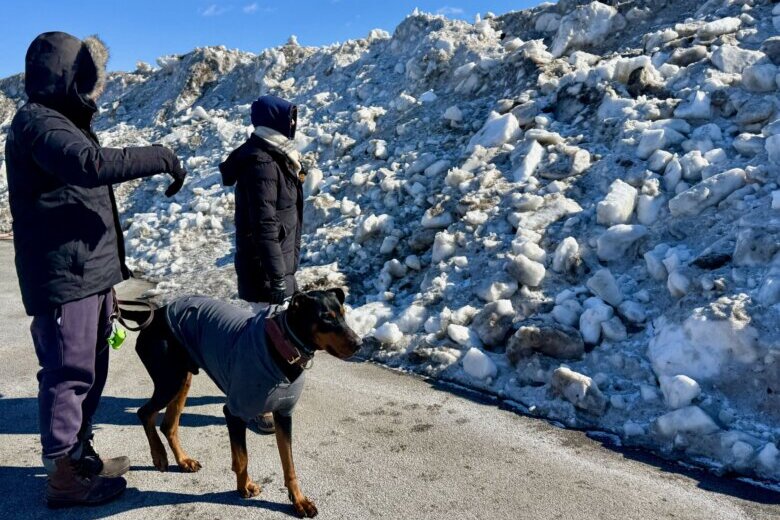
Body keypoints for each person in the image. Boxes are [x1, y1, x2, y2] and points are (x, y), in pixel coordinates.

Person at [5, 32, 187, 508]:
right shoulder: (37, 123)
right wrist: (160, 156)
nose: (96, 91)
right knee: (68, 372)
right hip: (66, 276)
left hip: (89, 272)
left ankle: (80, 455)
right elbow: (88, 165)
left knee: (92, 367)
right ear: (73, 77)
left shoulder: (60, 120)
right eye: (91, 79)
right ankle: (65, 475)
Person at [219, 95, 304, 433]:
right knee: (261, 339)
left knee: (270, 334)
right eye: (290, 118)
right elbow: (264, 225)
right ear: (275, 121)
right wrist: (275, 274)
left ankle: (261, 390)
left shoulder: (276, 156)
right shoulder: (262, 163)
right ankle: (253, 406)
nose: (295, 125)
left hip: (277, 262)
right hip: (265, 266)